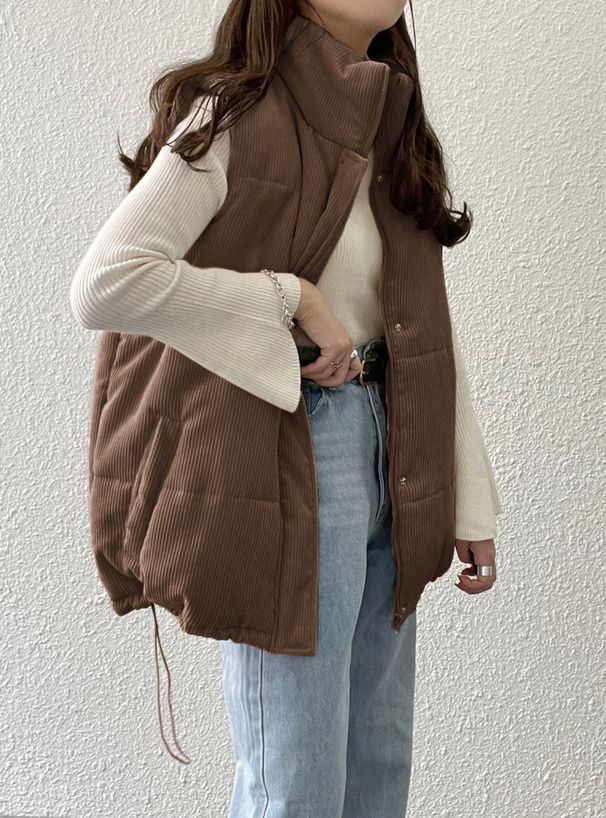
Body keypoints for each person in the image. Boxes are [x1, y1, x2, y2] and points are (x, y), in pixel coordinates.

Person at [69, 1, 503, 815]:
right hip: (295, 446)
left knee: (377, 768)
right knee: (296, 781)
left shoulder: (391, 120)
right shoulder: (233, 112)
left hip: (396, 446)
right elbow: (106, 282)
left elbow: (421, 329)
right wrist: (288, 297)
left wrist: (467, 494)